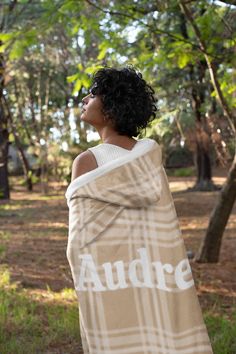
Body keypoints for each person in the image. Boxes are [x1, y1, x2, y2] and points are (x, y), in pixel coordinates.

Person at [66, 66, 213, 354]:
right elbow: (164, 228)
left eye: (94, 94)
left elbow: (80, 240)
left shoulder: (88, 161)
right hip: (157, 273)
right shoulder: (149, 160)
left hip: (108, 278)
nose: (85, 98)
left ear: (110, 108)